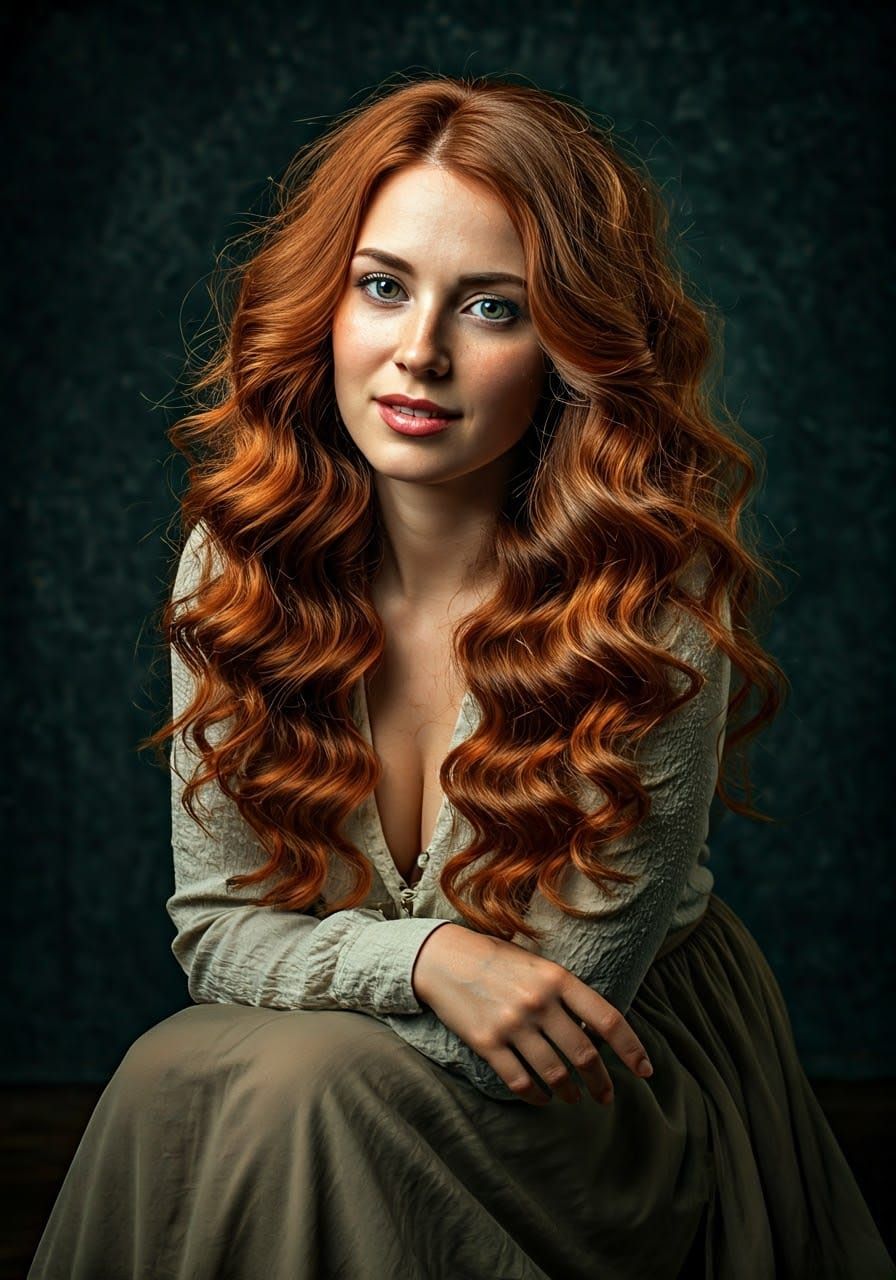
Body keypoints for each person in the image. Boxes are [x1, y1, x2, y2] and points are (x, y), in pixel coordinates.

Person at [28, 73, 892, 1280]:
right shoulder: (239, 561)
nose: (418, 352)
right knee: (167, 1069)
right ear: (324, 303)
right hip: (330, 1076)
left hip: (605, 1096)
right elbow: (215, 931)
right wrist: (423, 955)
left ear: (570, 348)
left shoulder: (648, 600)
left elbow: (536, 1029)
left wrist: (337, 975)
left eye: (491, 307)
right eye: (382, 286)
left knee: (281, 1083)